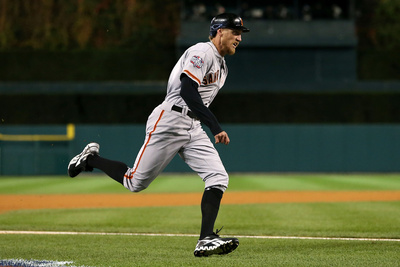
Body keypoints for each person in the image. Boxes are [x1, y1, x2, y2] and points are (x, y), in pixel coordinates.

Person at [68, 13, 249, 257]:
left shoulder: (222, 66)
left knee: (218, 177)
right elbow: (187, 90)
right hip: (171, 119)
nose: (239, 37)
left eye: (240, 33)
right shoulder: (202, 52)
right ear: (218, 31)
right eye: (234, 31)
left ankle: (205, 239)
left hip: (192, 126)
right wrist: (215, 126)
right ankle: (90, 159)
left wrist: (206, 124)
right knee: (135, 183)